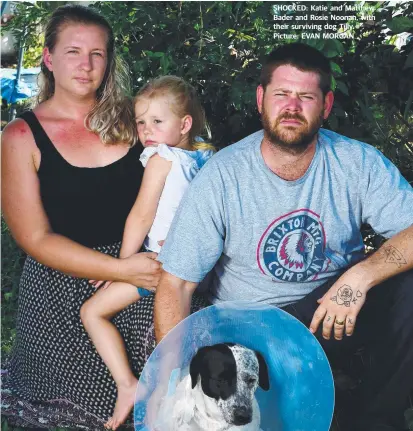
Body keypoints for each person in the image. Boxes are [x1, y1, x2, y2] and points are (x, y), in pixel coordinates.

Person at [152, 43, 413, 431]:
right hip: (256, 333)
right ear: (261, 99)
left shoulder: (357, 162)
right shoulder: (224, 176)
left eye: (306, 96)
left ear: (325, 106)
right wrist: (170, 380)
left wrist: (360, 278)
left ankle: (379, 421)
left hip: (330, 311)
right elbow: (175, 285)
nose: (292, 107)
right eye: (281, 94)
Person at [1, 4, 161, 429]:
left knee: (163, 408)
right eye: (73, 51)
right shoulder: (20, 136)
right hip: (62, 291)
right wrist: (120, 269)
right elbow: (34, 237)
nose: (86, 65)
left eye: (97, 53)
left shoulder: (137, 119)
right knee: (80, 417)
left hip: (142, 283)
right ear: (49, 59)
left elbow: (184, 176)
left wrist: (132, 270)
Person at [80, 75, 215, 430]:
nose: (146, 130)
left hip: (163, 267)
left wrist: (119, 269)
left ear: (184, 124)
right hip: (200, 269)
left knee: (92, 311)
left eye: (157, 121)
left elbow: (141, 216)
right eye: (141, 122)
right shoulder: (206, 157)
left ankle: (129, 386)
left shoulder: (161, 157)